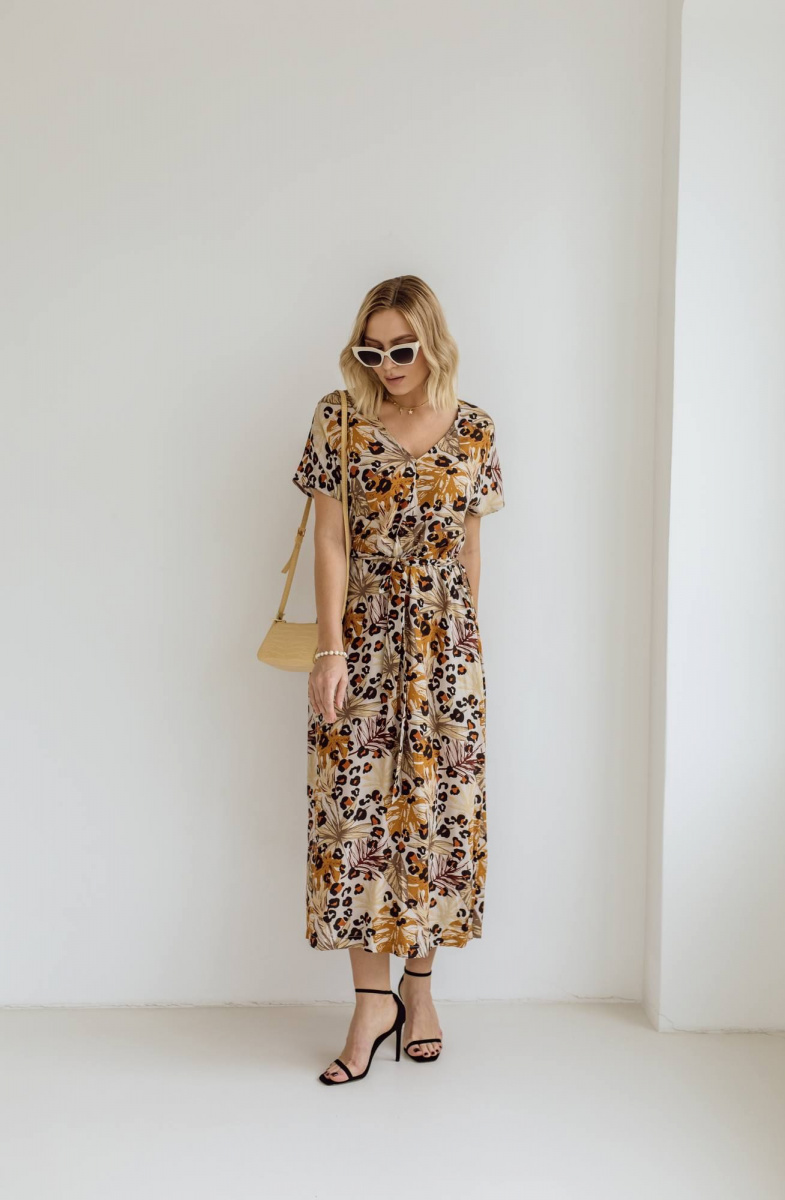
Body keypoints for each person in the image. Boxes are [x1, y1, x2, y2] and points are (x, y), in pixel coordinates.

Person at [291, 275, 505, 1084]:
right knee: (356, 819)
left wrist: (465, 652)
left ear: (432, 344)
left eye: (402, 349)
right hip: (364, 638)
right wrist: (330, 650)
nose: (387, 364)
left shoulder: (476, 428)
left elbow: (470, 549)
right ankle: (370, 1002)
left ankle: (419, 988)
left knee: (434, 819)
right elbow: (331, 542)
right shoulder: (339, 420)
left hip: (446, 651)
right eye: (372, 350)